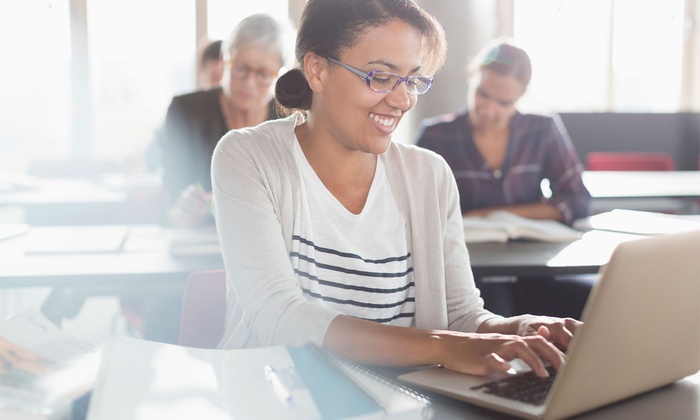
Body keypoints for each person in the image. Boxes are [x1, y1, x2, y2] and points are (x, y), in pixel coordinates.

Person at [212, 0, 581, 378]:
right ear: (317, 70)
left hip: (409, 402)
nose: (403, 99)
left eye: (413, 80)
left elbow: (461, 315)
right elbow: (279, 314)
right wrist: (442, 345)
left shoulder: (429, 175)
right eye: (381, 77)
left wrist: (519, 330)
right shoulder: (248, 156)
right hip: (279, 397)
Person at [416, 38, 591, 225]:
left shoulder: (542, 130)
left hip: (530, 250)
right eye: (483, 94)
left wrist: (490, 214)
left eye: (503, 102)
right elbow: (412, 207)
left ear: (520, 96)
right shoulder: (435, 136)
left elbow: (578, 200)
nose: (489, 110)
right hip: (459, 250)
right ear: (472, 78)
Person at [160, 13, 293, 228]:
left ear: (280, 74)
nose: (249, 83)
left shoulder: (290, 121)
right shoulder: (186, 112)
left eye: (264, 73)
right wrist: (182, 211)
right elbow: (171, 198)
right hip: (201, 240)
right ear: (224, 60)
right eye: (241, 68)